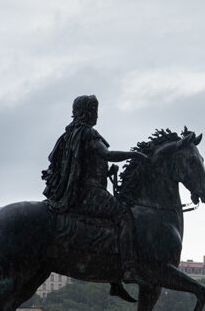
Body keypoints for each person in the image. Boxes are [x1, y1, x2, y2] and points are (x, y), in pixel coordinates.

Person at [42, 95, 148, 297]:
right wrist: (134, 155)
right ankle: (127, 269)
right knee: (125, 216)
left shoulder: (69, 134)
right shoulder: (87, 133)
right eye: (95, 110)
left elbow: (82, 164)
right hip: (90, 193)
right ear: (88, 111)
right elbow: (106, 155)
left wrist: (105, 173)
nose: (97, 115)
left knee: (109, 224)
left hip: (77, 191)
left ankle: (114, 280)